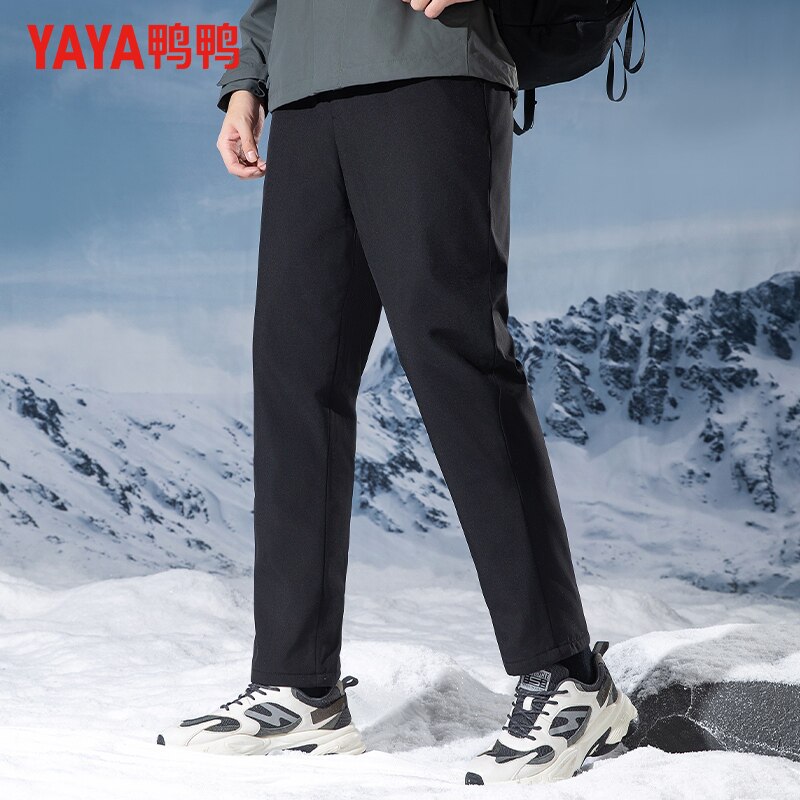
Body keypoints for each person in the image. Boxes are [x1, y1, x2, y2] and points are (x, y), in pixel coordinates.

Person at [156, 0, 638, 784]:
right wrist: (248, 78)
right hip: (305, 92)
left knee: (457, 360)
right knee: (295, 376)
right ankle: (297, 686)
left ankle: (568, 679)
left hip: (430, 66)